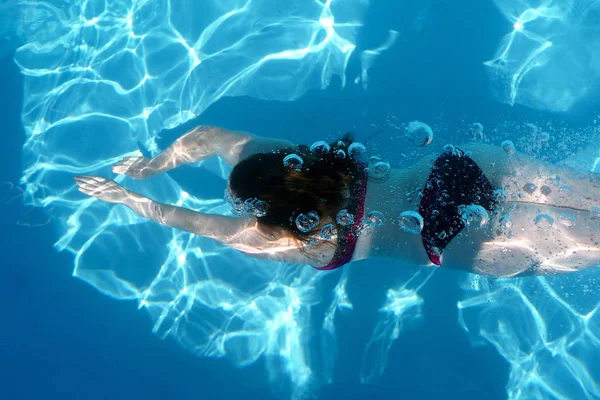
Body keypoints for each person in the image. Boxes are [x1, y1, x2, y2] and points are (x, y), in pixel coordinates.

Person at [74, 125, 600, 277]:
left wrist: (127, 197)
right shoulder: (309, 158)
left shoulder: (280, 238)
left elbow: (184, 221)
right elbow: (212, 137)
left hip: (456, 239)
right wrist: (152, 165)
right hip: (463, 165)